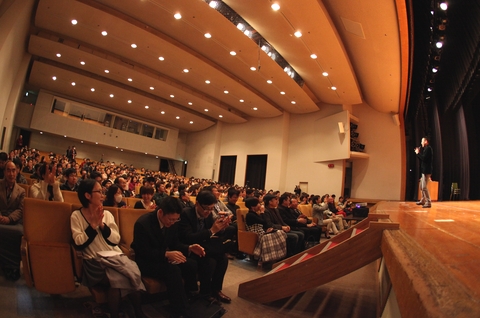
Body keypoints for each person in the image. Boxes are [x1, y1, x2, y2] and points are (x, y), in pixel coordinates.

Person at [71, 179, 145, 318]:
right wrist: (92, 225)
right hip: (94, 261)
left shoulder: (108, 214)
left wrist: (103, 226)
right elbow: (79, 243)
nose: (102, 194)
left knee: (132, 273)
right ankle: (116, 314)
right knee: (117, 280)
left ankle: (138, 312)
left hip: (114, 256)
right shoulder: (76, 216)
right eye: (99, 191)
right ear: (88, 196)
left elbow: (115, 239)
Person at [132, 197, 204, 318]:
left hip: (162, 257)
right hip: (146, 261)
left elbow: (175, 244)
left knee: (190, 263)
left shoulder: (173, 222)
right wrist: (165, 254)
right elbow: (142, 251)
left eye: (176, 220)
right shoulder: (143, 223)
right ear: (160, 212)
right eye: (170, 219)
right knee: (172, 270)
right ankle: (179, 311)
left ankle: (187, 296)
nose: (172, 222)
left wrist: (189, 247)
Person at [178, 190, 232, 303]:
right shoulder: (186, 214)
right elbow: (187, 237)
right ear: (197, 204)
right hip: (189, 247)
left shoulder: (208, 214)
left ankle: (216, 289)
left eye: (211, 208)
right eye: (206, 208)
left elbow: (211, 233)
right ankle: (205, 293)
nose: (208, 212)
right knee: (209, 261)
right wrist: (212, 230)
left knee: (223, 259)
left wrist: (221, 228)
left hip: (204, 246)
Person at [0, 161, 26, 281]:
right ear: (4, 172)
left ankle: (11, 266)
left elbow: (20, 210)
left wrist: (9, 218)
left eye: (13, 170)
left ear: (17, 172)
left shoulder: (21, 191)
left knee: (18, 233)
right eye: (9, 170)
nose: (11, 173)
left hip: (13, 221)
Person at [244, 197, 287, 264]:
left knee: (279, 232)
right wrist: (262, 212)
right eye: (258, 203)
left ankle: (278, 256)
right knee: (278, 233)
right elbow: (264, 222)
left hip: (261, 232)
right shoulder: (250, 215)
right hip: (256, 234)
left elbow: (262, 224)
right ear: (253, 206)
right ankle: (271, 257)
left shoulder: (254, 213)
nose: (260, 205)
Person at [415, 136, 433, 208]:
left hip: (426, 171)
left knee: (424, 187)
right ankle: (423, 200)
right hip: (424, 171)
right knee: (421, 187)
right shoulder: (426, 149)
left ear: (426, 142)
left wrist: (417, 153)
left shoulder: (428, 149)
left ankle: (428, 202)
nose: (421, 143)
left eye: (422, 141)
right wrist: (418, 154)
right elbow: (423, 159)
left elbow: (424, 159)